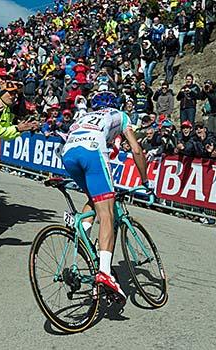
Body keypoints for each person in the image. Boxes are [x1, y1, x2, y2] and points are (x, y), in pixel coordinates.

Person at [61, 91, 149, 300]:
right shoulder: (121, 115)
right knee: (107, 212)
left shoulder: (87, 116)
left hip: (68, 152)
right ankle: (105, 273)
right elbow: (136, 150)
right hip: (92, 151)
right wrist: (145, 181)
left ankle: (81, 231)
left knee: (95, 199)